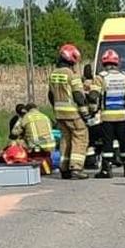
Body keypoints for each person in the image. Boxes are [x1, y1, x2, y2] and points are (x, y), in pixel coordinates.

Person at [90, 49, 125, 179]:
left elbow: (93, 96)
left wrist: (92, 109)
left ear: (103, 62)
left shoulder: (100, 77)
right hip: (122, 116)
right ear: (117, 62)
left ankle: (106, 170)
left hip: (107, 117)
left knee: (108, 144)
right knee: (124, 143)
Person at [48, 44, 90, 180]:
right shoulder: (72, 75)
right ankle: (76, 168)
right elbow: (78, 95)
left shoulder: (53, 74)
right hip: (73, 113)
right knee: (80, 137)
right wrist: (85, 113)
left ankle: (64, 168)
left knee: (65, 139)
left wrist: (56, 109)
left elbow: (51, 95)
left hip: (59, 114)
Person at [9, 103, 56, 174]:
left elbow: (14, 133)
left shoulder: (26, 117)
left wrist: (21, 118)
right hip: (50, 145)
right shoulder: (45, 116)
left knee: (16, 142)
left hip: (36, 146)